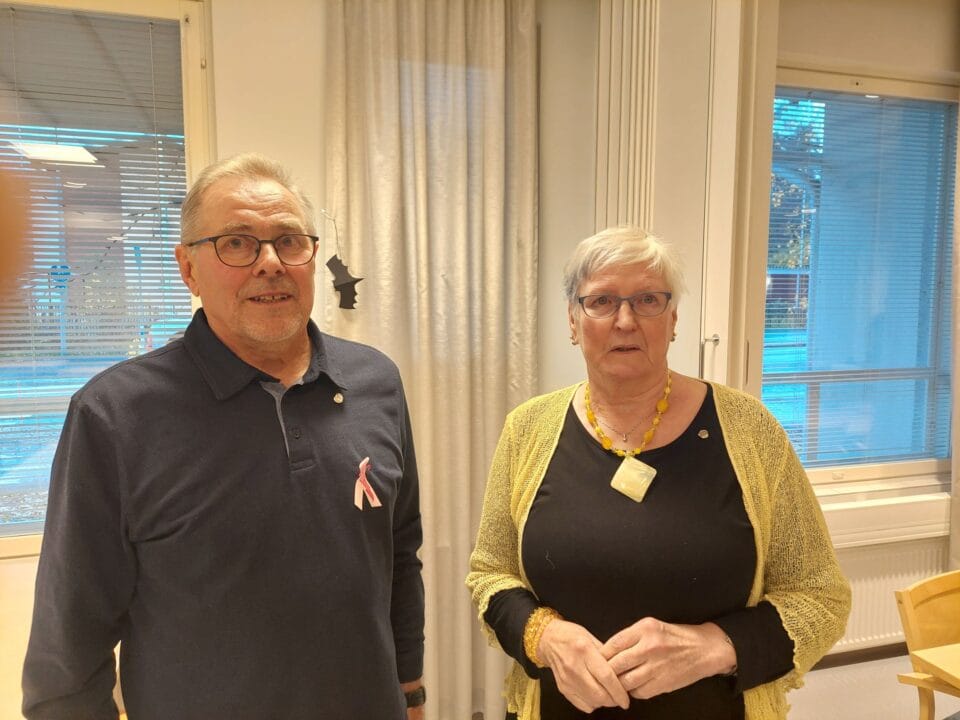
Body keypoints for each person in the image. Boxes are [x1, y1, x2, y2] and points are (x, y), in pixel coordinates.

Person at [22, 153, 426, 719]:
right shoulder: (115, 415)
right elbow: (68, 644)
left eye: (289, 241)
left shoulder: (374, 381)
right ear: (188, 268)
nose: (270, 263)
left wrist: (411, 691)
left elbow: (400, 554)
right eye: (237, 243)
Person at [466, 225, 850, 720]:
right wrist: (544, 636)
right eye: (601, 301)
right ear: (573, 321)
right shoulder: (527, 429)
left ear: (672, 320)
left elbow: (820, 597)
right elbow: (490, 574)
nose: (625, 320)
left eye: (647, 300)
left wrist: (716, 645)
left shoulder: (751, 431)